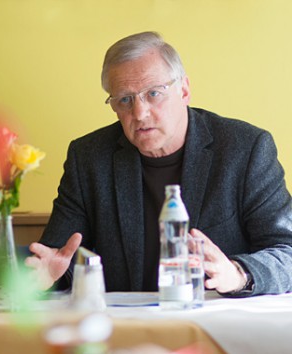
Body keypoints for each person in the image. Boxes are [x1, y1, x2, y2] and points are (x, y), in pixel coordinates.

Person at [26, 31, 292, 297]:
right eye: (125, 99)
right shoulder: (89, 158)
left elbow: (287, 252)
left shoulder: (245, 149)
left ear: (184, 90)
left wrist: (238, 274)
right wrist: (48, 276)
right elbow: (60, 258)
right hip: (127, 327)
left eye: (153, 93)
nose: (140, 113)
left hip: (216, 321)